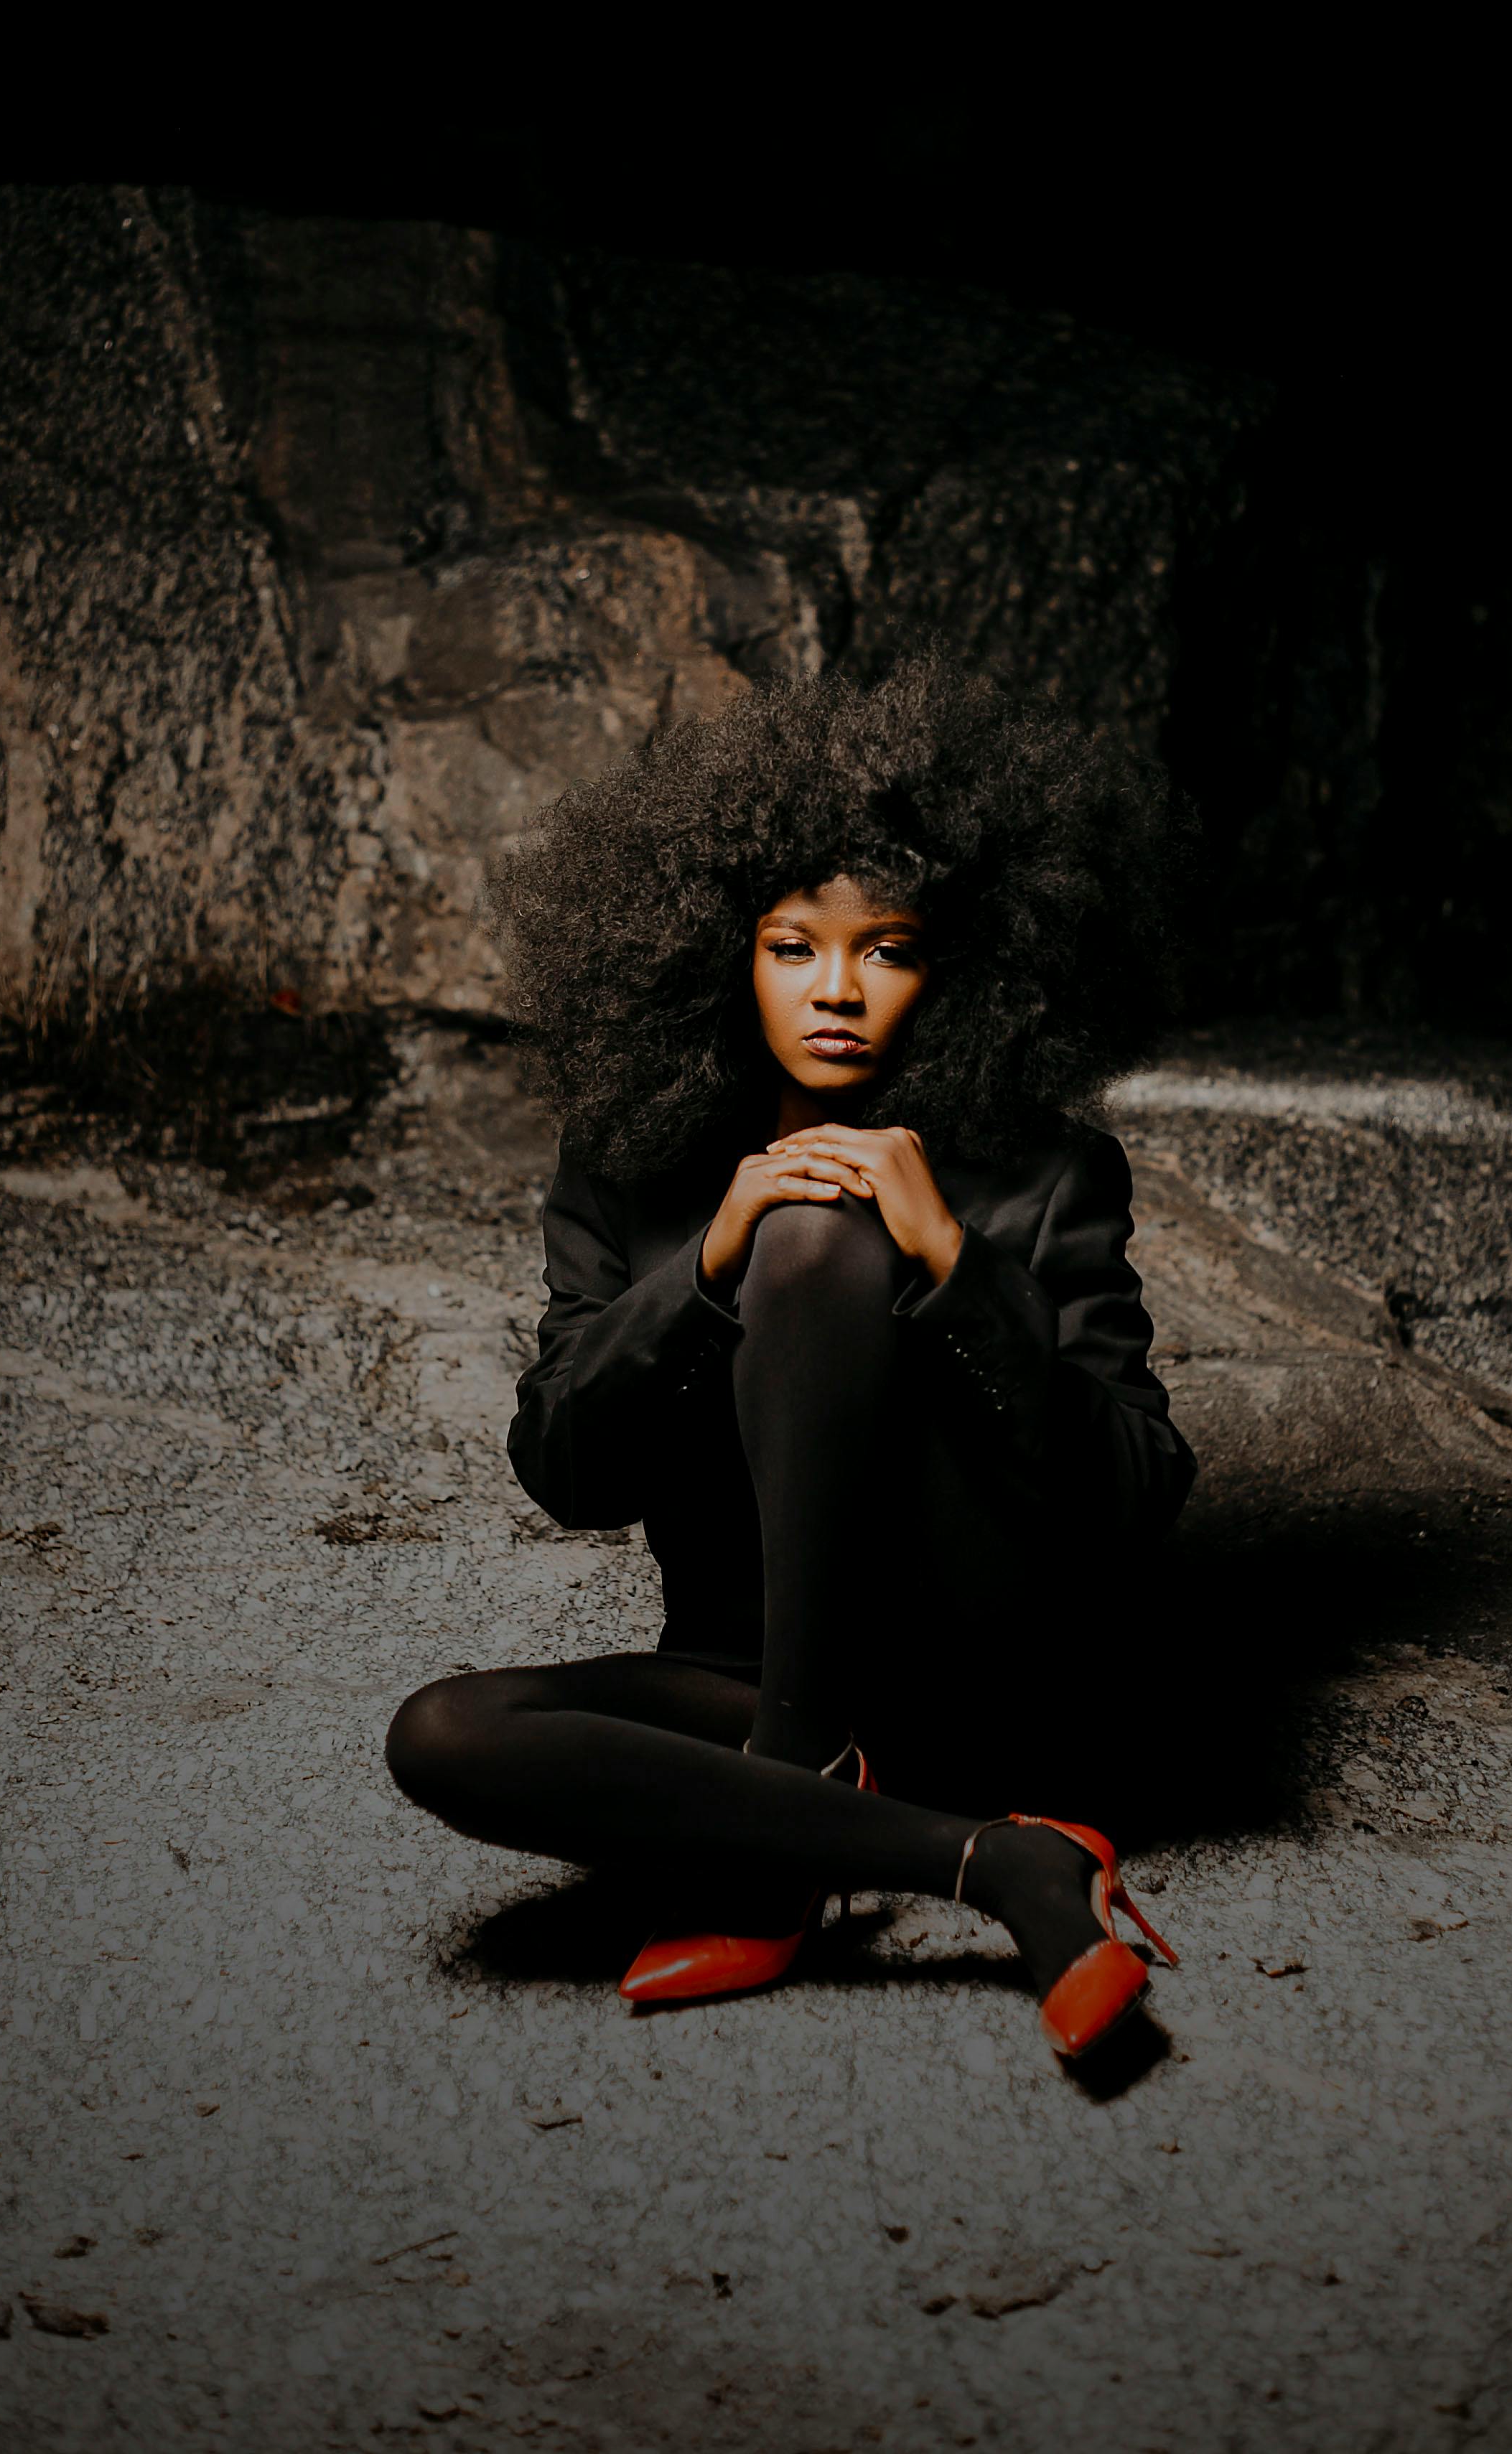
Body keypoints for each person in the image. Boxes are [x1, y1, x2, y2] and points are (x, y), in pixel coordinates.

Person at [386, 654, 1195, 2063]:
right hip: (738, 1681)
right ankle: (984, 1857)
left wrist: (958, 1265)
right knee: (442, 1734)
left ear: (957, 968)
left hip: (970, 1675)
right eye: (791, 946)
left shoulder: (1046, 1176)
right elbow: (567, 1469)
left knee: (826, 1240)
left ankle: (783, 1842)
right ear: (720, 953)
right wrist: (708, 1262)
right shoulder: (630, 1169)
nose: (838, 991)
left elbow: (1136, 1497)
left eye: (887, 948)